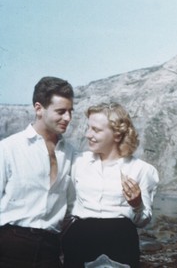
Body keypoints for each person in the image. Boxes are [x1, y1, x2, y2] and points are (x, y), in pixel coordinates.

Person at [61, 102, 159, 268]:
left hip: (120, 244)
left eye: (96, 130)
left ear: (117, 135)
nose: (87, 134)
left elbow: (143, 220)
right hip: (79, 242)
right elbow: (67, 206)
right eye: (88, 128)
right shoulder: (77, 162)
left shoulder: (142, 170)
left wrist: (137, 205)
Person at [0, 76, 75, 267]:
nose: (68, 118)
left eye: (70, 111)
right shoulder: (8, 148)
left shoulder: (71, 153)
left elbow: (72, 205)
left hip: (50, 250)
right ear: (38, 108)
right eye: (61, 111)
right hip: (10, 245)